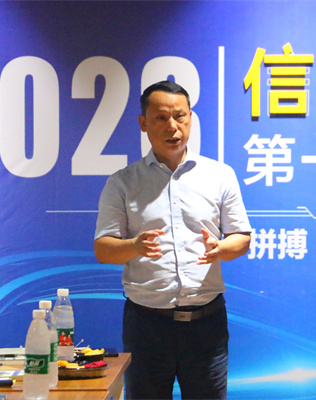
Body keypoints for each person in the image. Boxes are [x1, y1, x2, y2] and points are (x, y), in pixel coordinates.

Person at [94, 80, 251, 400]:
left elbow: (242, 238)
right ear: (143, 123)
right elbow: (103, 249)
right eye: (161, 118)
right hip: (147, 325)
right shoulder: (123, 182)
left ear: (190, 118)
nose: (172, 126)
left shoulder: (220, 175)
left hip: (206, 324)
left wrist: (221, 248)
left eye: (180, 116)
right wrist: (134, 246)